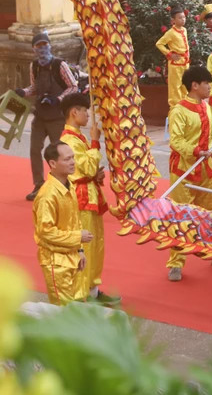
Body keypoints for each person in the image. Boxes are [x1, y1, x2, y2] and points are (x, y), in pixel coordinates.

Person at [165, 66, 212, 282]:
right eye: (207, 83)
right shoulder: (179, 110)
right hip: (185, 172)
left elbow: (209, 127)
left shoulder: (205, 106)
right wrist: (196, 151)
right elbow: (175, 141)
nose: (210, 87)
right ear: (194, 85)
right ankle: (176, 263)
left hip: (205, 168)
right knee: (183, 217)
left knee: (211, 214)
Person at [59, 94, 120, 306]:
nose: (88, 114)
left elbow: (88, 169)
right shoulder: (69, 140)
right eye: (85, 110)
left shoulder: (78, 138)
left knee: (96, 245)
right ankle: (79, 295)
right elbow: (86, 166)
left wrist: (95, 175)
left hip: (90, 193)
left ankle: (92, 291)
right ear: (73, 112)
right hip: (81, 197)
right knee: (83, 247)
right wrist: (95, 141)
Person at [15, 33, 79, 201]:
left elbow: (73, 86)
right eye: (38, 46)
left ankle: (63, 185)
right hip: (40, 115)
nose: (42, 48)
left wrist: (57, 99)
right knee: (35, 150)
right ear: (34, 48)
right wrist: (24, 92)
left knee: (59, 152)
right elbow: (34, 87)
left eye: (45, 44)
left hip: (57, 115)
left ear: (50, 45)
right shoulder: (34, 66)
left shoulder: (60, 65)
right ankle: (38, 185)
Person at [33, 141, 94, 305]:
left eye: (73, 158)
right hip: (56, 262)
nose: (73, 162)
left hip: (71, 256)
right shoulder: (47, 195)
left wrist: (80, 249)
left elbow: (75, 219)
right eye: (67, 159)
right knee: (64, 312)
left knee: (75, 308)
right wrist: (78, 237)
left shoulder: (69, 186)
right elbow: (45, 232)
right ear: (52, 163)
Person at [155, 6, 190, 108]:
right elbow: (159, 44)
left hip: (185, 63)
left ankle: (186, 105)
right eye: (180, 17)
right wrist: (169, 54)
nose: (183, 19)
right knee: (175, 86)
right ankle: (176, 107)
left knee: (185, 84)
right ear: (173, 20)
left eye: (184, 17)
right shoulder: (170, 33)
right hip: (176, 64)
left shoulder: (184, 30)